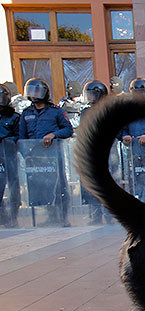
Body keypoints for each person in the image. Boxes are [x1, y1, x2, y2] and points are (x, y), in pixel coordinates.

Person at [19, 78, 74, 226]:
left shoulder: (55, 112)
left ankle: (63, 217)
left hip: (53, 156)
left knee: (58, 186)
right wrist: (27, 155)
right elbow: (21, 138)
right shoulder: (26, 114)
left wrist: (54, 135)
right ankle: (50, 216)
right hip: (35, 158)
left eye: (36, 92)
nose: (33, 95)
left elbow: (68, 129)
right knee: (42, 188)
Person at [79, 80, 110, 224]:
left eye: (92, 95)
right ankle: (96, 216)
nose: (90, 97)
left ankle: (109, 216)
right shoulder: (85, 112)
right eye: (88, 95)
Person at [0, 83, 21, 227]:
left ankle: (13, 215)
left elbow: (19, 135)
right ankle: (3, 216)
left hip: (9, 155)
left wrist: (9, 141)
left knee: (14, 186)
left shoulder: (14, 117)